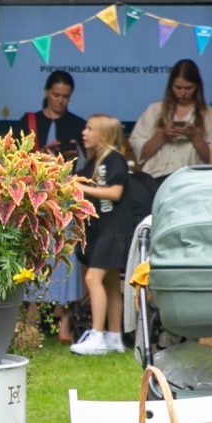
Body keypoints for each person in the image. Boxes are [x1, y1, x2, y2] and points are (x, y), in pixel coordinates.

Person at [71, 115, 146, 355]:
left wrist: (82, 188)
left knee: (93, 278)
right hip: (103, 230)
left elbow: (115, 192)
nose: (84, 133)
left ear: (103, 134)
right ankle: (114, 337)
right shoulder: (94, 160)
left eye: (89, 129)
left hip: (115, 231)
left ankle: (97, 335)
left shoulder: (115, 159)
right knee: (111, 284)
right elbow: (77, 181)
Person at [132, 59, 212, 177]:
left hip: (191, 179)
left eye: (188, 88)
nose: (183, 93)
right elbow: (141, 155)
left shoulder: (210, 115)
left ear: (197, 87)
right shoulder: (153, 110)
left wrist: (195, 137)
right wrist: (162, 135)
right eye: (178, 88)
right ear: (170, 86)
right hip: (154, 176)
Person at [12, 69, 85, 157]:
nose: (60, 100)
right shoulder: (28, 121)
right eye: (56, 95)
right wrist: (40, 155)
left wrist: (78, 154)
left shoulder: (79, 125)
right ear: (46, 92)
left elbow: (91, 160)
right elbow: (14, 156)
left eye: (65, 96)